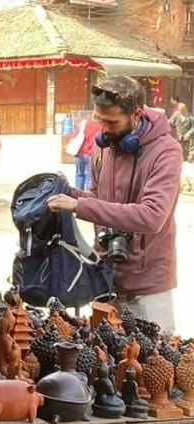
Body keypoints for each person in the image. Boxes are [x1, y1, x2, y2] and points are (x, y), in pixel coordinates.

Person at [49, 75, 181, 330]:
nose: (103, 129)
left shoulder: (167, 151)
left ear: (136, 115)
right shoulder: (103, 146)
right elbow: (99, 199)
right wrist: (68, 194)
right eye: (99, 120)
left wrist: (80, 206)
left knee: (154, 354)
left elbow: (153, 216)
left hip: (147, 286)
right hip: (106, 279)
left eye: (111, 122)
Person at [69, 115, 99, 192]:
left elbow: (73, 135)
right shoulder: (100, 126)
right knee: (90, 176)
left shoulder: (84, 123)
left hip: (79, 153)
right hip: (91, 154)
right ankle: (87, 194)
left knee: (79, 174)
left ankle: (78, 193)